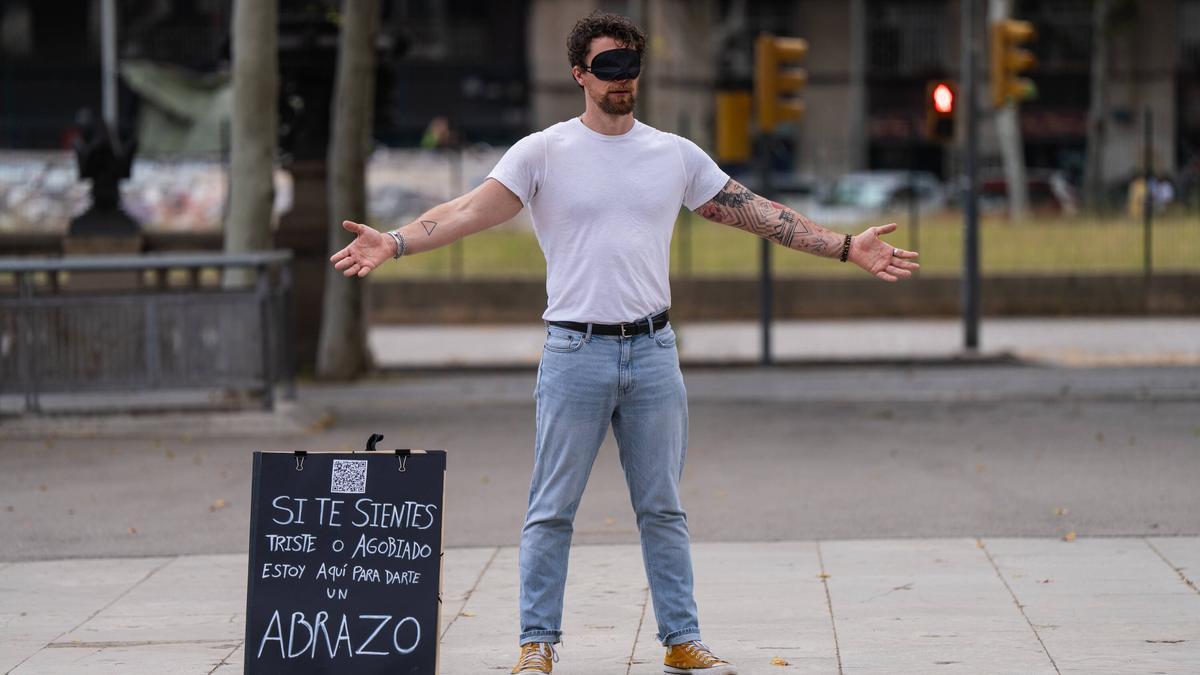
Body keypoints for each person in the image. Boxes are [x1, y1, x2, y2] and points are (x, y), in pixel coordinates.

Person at [330, 12, 919, 674]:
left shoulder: (672, 154)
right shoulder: (542, 152)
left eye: (631, 67)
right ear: (580, 74)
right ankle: (537, 641)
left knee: (663, 505)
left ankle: (681, 636)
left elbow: (756, 211)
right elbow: (467, 212)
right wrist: (397, 240)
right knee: (550, 508)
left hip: (653, 353)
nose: (622, 81)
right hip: (574, 352)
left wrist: (844, 247)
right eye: (608, 68)